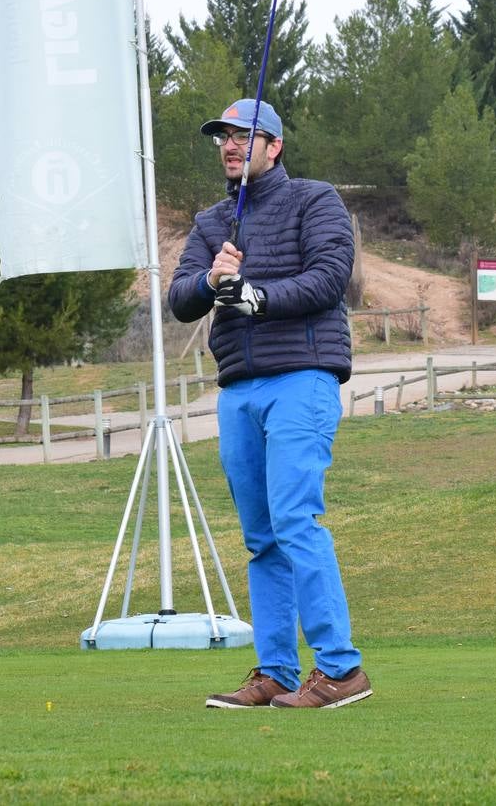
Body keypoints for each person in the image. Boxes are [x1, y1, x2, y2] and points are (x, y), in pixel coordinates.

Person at [168, 98, 371, 710]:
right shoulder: (210, 225)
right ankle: (278, 672)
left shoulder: (316, 199)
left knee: (294, 519)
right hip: (238, 388)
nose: (230, 146)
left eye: (243, 136)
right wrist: (211, 281)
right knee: (261, 537)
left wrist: (254, 294)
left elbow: (331, 276)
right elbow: (180, 298)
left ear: (273, 146)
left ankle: (340, 670)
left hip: (302, 377)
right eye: (222, 138)